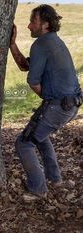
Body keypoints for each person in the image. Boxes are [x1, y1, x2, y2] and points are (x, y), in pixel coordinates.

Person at [9, 4, 82, 200]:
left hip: (58, 105)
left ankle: (38, 189)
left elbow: (32, 81)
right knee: (40, 136)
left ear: (46, 24)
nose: (29, 26)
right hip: (71, 104)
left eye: (33, 22)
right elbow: (26, 66)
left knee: (24, 143)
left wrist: (49, 101)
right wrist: (12, 44)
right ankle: (55, 179)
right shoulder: (53, 41)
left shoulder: (41, 44)